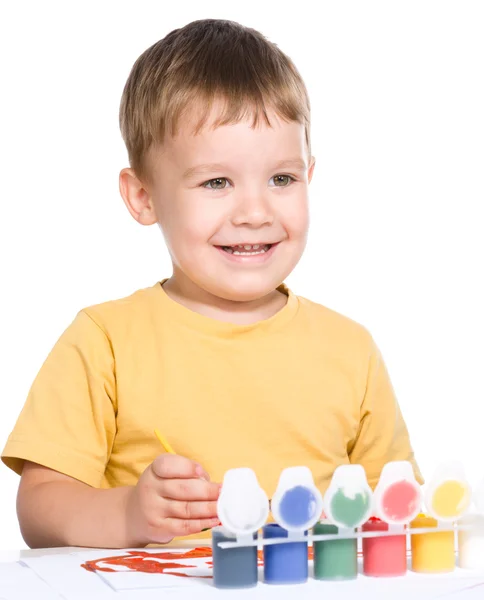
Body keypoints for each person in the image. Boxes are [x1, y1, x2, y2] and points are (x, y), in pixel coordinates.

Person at [2, 18, 421, 549]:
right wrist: (128, 513)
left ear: (309, 177)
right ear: (143, 197)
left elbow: (398, 507)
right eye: (217, 182)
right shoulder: (104, 340)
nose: (254, 211)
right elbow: (39, 507)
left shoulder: (351, 350)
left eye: (282, 179)